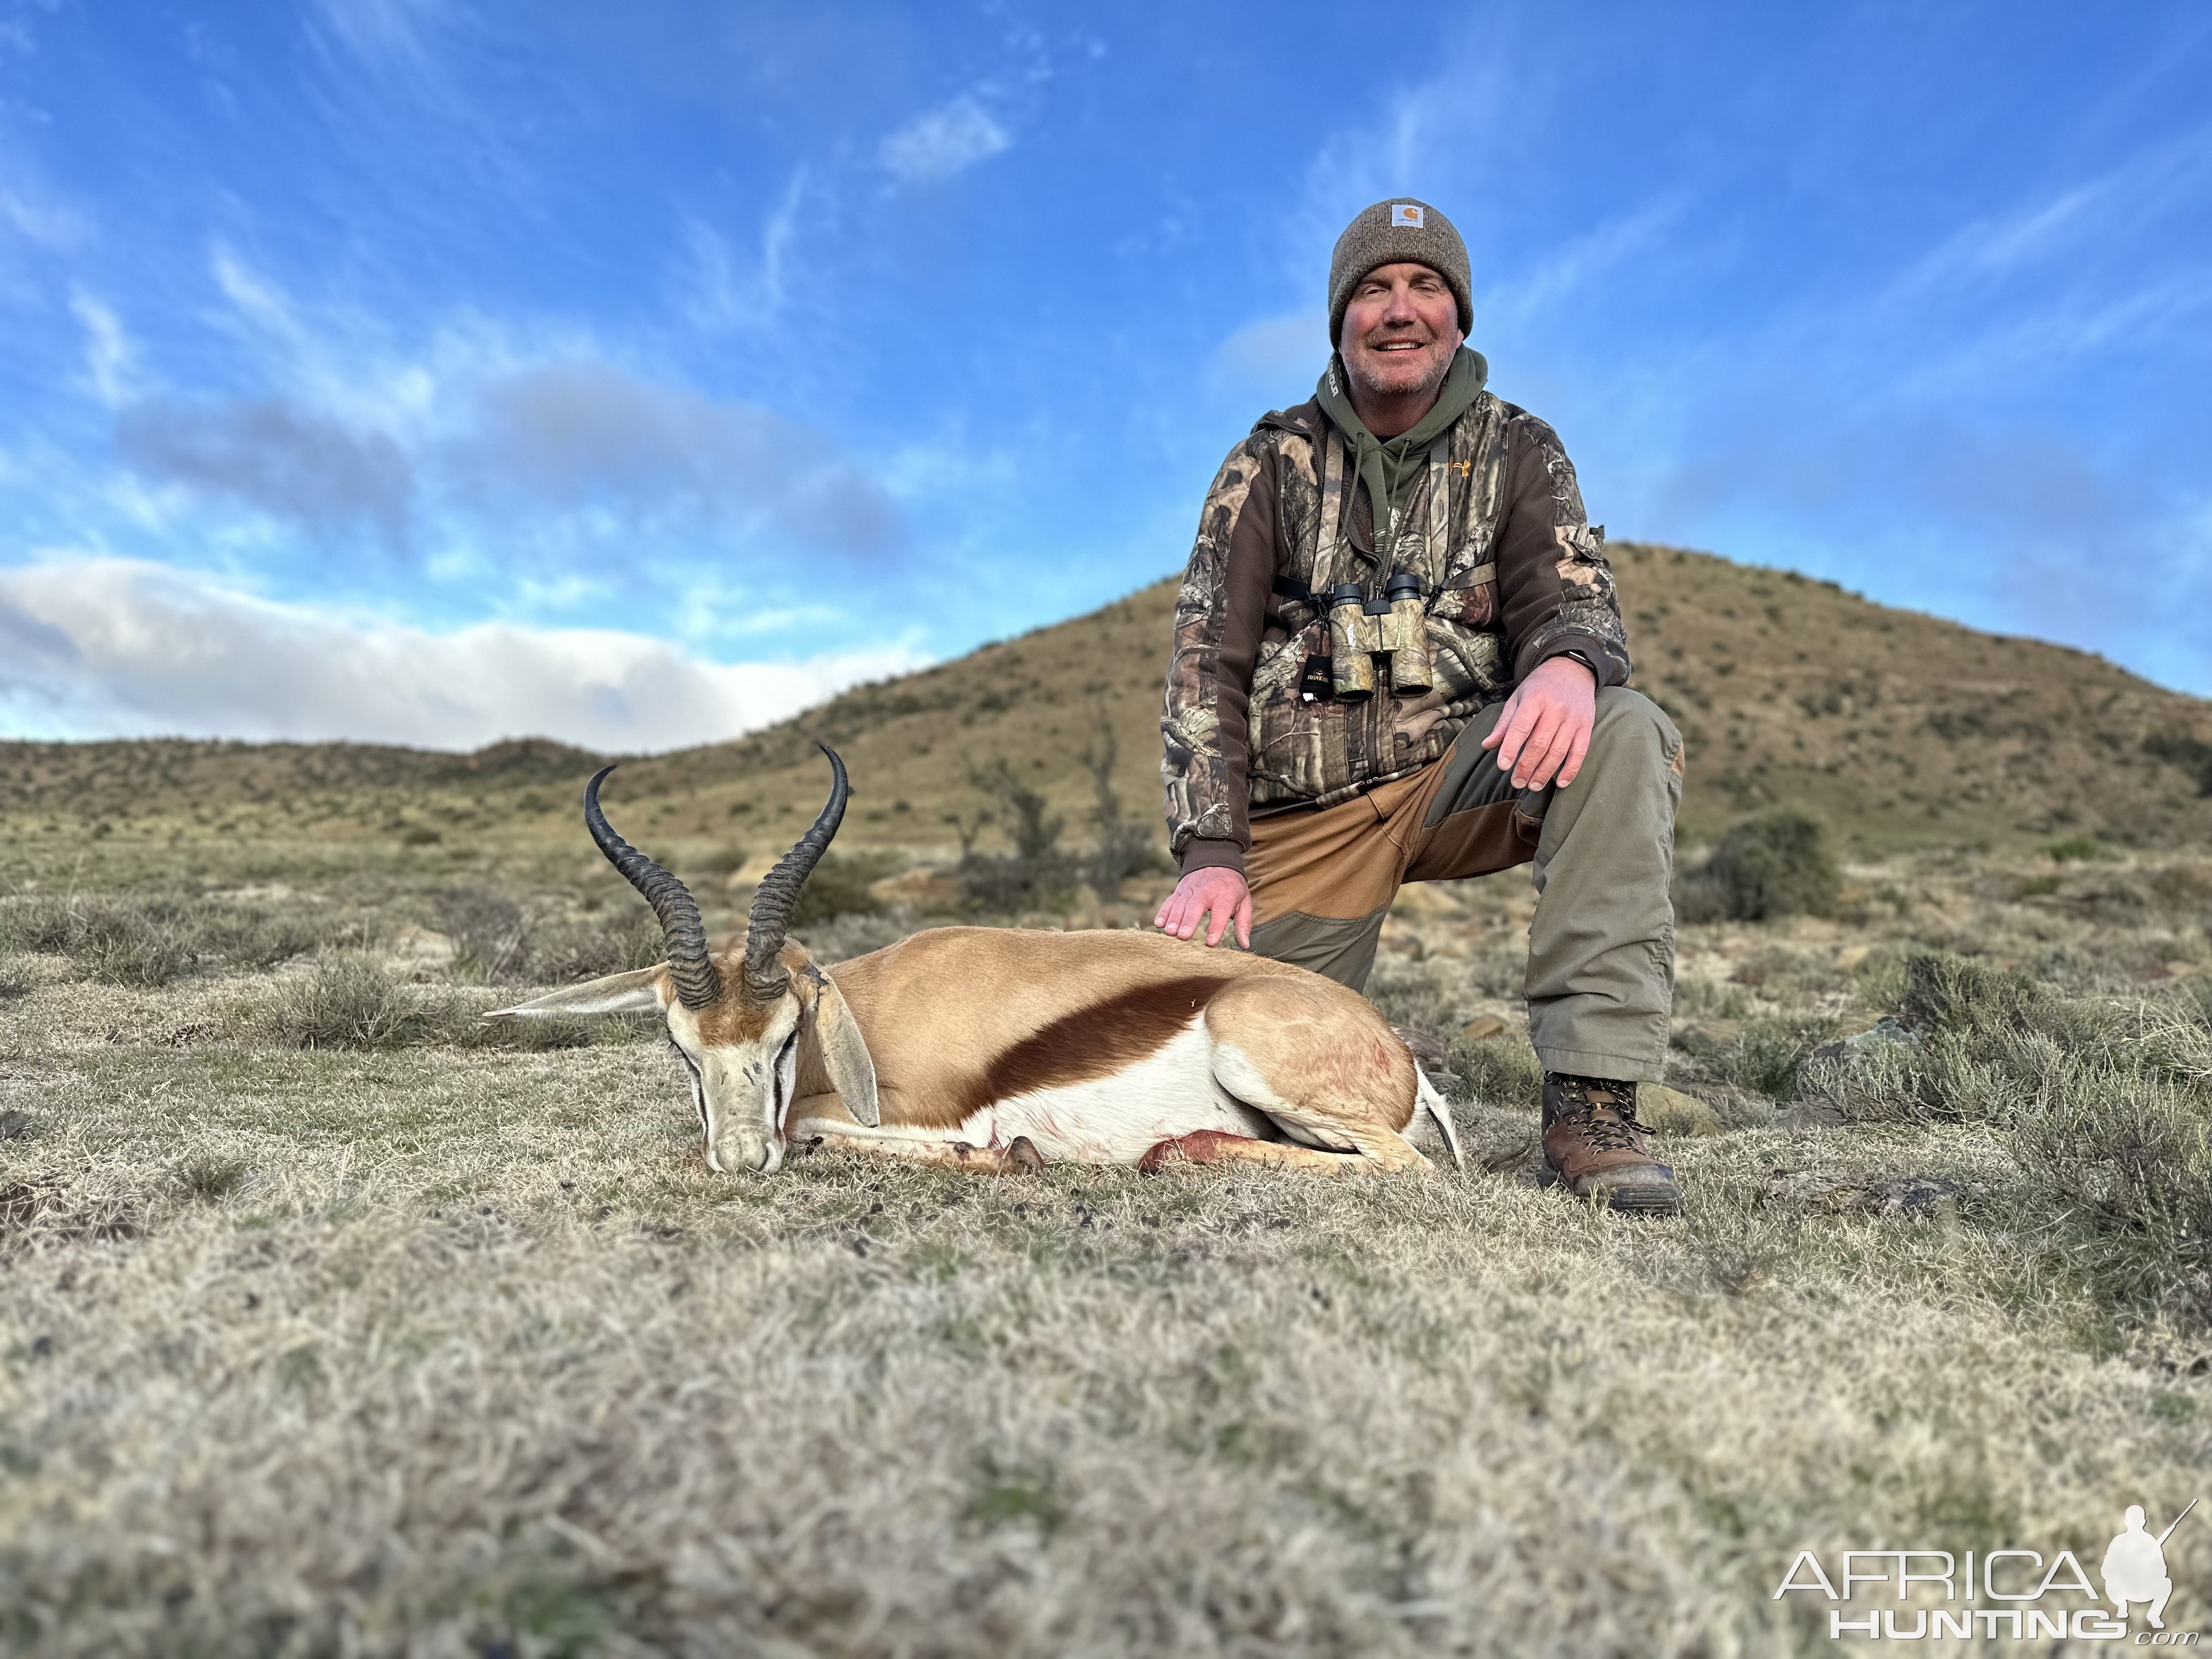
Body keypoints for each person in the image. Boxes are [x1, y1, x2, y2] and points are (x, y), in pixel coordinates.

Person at [1155, 198, 1686, 1214]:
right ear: (1339, 320)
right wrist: (1210, 847)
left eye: (1425, 285)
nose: (1399, 308)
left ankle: (1591, 1104)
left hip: (1457, 777)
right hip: (1300, 818)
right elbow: (1201, 663)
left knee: (1623, 729)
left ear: (1458, 316)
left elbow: (1571, 594)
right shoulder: (1264, 463)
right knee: (1222, 1077)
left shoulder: (1520, 448)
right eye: (1373, 288)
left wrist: (1570, 660)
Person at [2102, 1505, 2174, 1628]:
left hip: (2146, 1589)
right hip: (2123, 1590)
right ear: (2126, 1522)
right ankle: (2122, 1607)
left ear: (2144, 1522)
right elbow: (2106, 1570)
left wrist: (2148, 1568)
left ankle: (2154, 1615)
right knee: (2110, 1583)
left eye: (2138, 1520)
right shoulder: (2118, 1541)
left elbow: (2163, 1571)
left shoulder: (2151, 1542)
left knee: (2167, 1584)